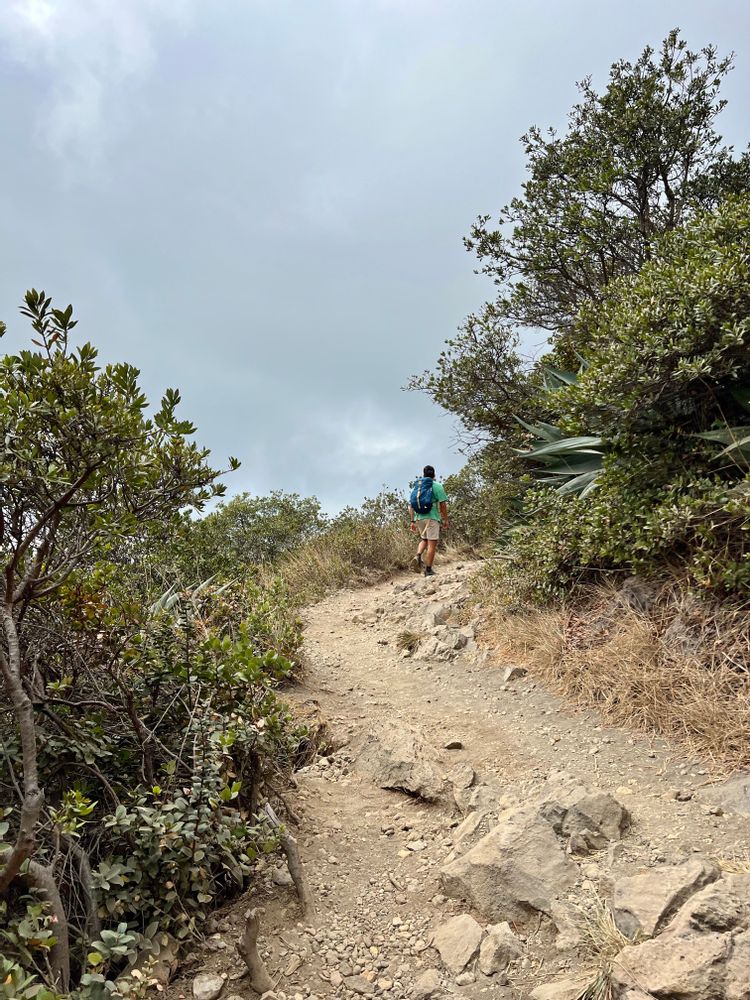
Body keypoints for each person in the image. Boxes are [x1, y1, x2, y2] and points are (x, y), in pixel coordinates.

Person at [409, 465, 449, 577]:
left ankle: (418, 555)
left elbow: (410, 506)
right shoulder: (437, 486)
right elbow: (443, 505)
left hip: (419, 518)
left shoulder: (418, 487)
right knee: (432, 544)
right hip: (431, 518)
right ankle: (428, 570)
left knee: (424, 539)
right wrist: (445, 519)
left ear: (424, 474)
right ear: (434, 475)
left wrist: (412, 521)